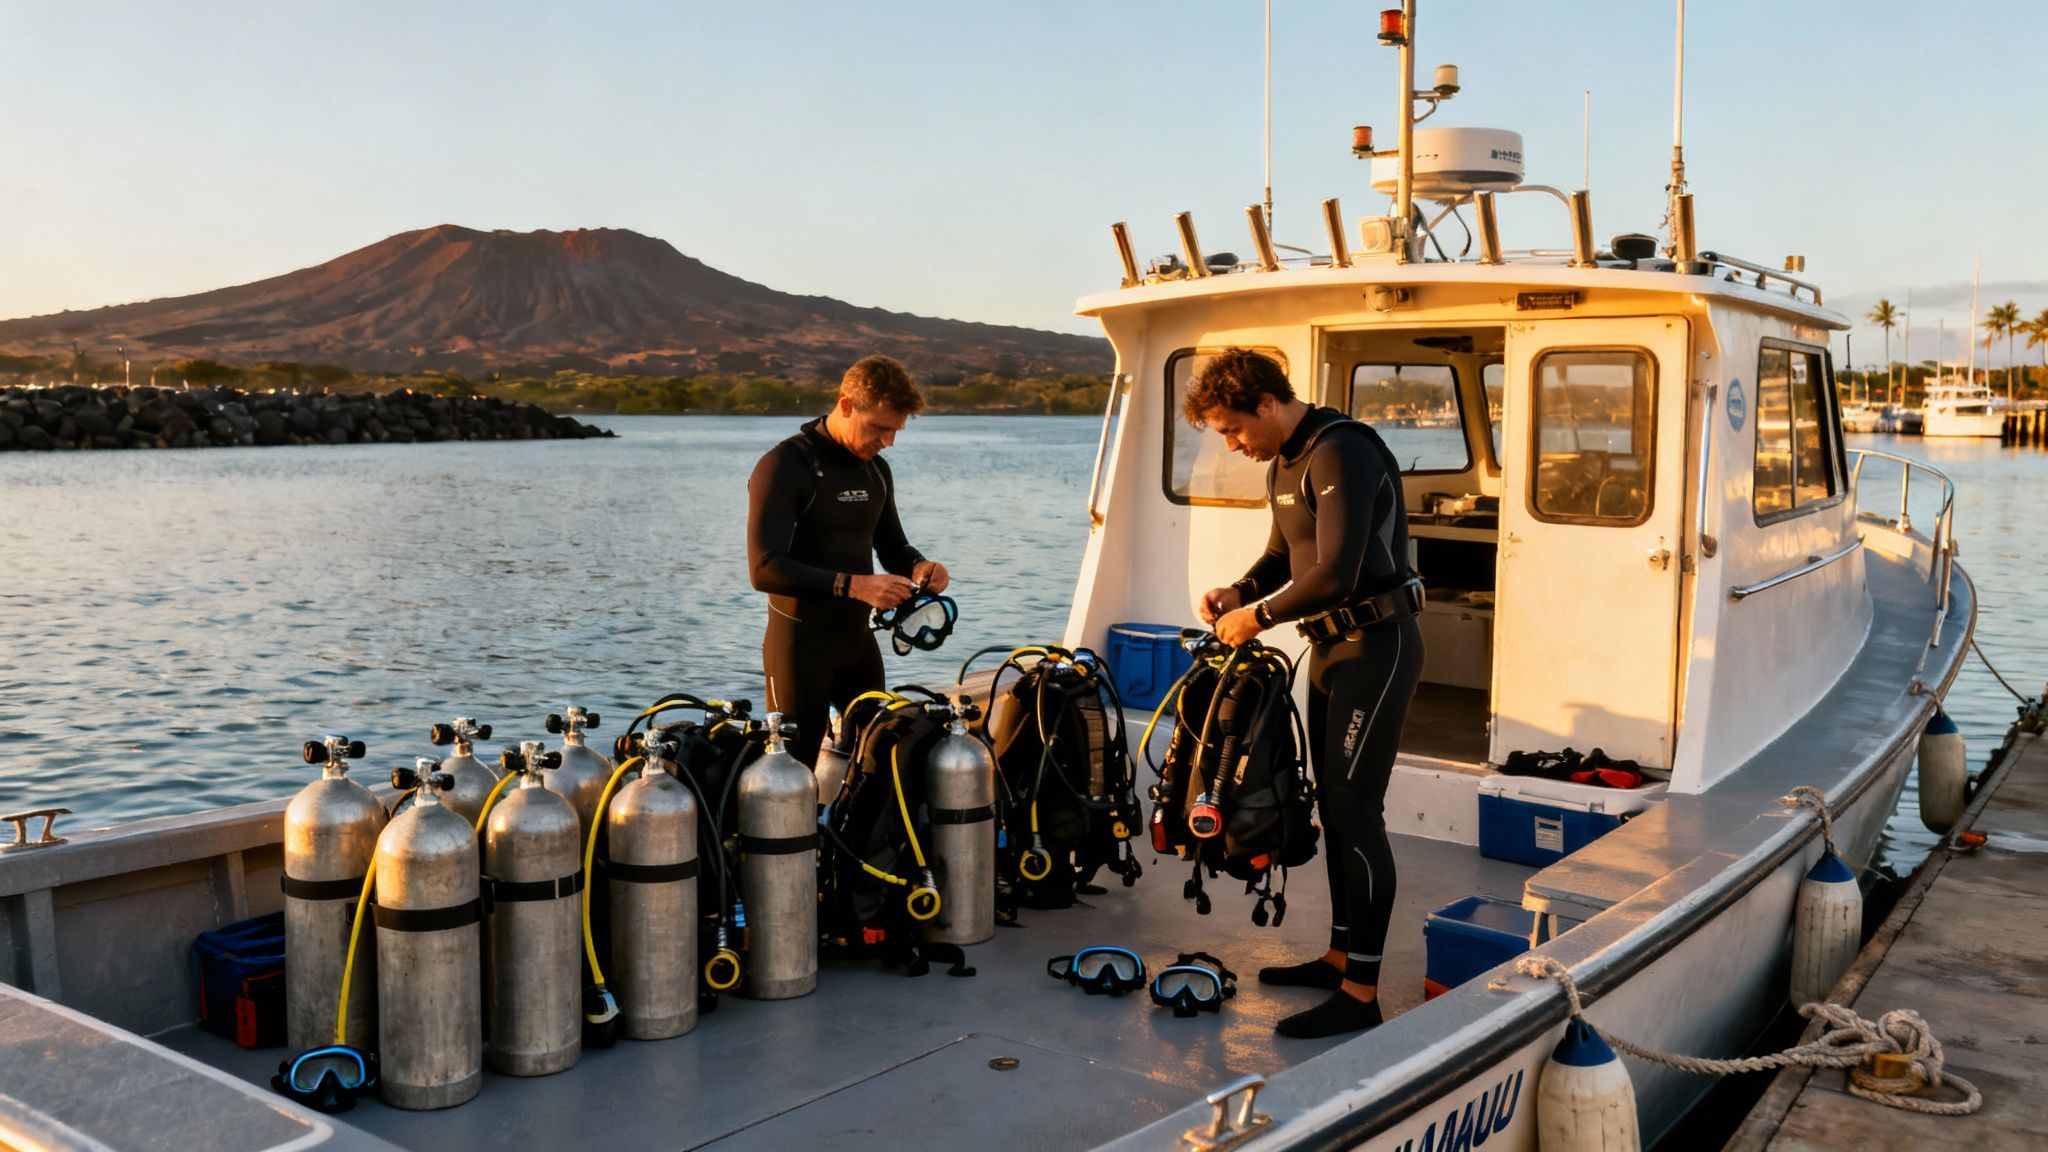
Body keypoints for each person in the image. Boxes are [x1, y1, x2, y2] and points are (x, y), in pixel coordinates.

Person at [1187, 347, 1424, 1039]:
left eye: (1233, 429)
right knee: (1333, 805)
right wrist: (1239, 589)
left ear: (1264, 402)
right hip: (1331, 650)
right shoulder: (1287, 462)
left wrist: (1255, 617)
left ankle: (1362, 992)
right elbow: (1283, 557)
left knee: (1357, 814)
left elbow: (1339, 574)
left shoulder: (1339, 449)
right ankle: (1338, 955)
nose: (1234, 445)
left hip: (1376, 648)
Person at [747, 355, 950, 765]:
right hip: (800, 646)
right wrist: (856, 585)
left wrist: (920, 567)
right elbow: (764, 567)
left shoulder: (875, 470)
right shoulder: (785, 465)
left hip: (857, 643)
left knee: (879, 757)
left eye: (895, 430)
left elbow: (893, 546)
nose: (888, 440)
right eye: (880, 427)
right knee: (790, 768)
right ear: (845, 405)